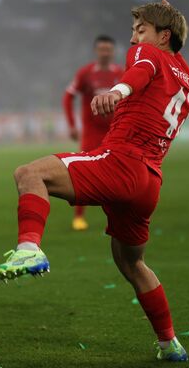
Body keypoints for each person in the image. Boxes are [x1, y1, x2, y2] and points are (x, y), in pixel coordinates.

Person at [0, 0, 189, 362]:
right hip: (150, 181)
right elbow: (161, 65)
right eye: (133, 31)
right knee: (132, 263)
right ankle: (170, 344)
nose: (133, 39)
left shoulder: (148, 54)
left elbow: (142, 69)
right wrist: (167, 16)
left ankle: (29, 249)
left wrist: (117, 92)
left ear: (162, 36)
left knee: (29, 174)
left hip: (122, 161)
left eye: (141, 30)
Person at [62, 35, 124, 231]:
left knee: (119, 175)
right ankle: (79, 217)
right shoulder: (86, 73)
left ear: (113, 52)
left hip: (115, 132)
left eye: (108, 49)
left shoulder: (121, 73)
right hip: (91, 133)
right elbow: (68, 97)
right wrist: (72, 125)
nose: (105, 53)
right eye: (102, 49)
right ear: (96, 51)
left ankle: (118, 218)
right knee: (84, 175)